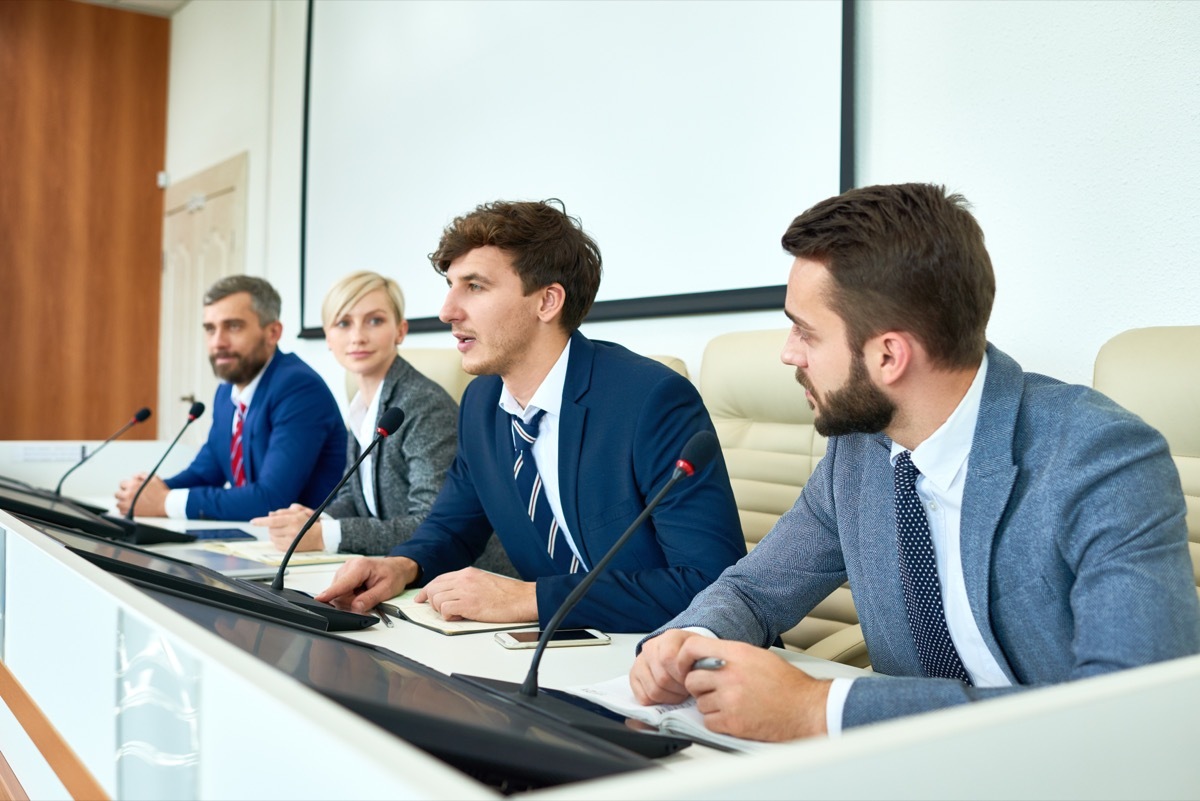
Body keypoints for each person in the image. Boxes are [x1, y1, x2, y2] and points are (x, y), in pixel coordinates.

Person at [629, 182, 1200, 739]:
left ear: (889, 355)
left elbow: (1135, 710)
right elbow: (755, 591)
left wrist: (818, 708)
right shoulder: (861, 450)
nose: (788, 353)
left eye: (805, 332)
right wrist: (684, 642)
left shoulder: (1100, 460)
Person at [315, 199, 746, 633]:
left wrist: (530, 597)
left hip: (679, 655)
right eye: (450, 285)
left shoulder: (650, 400)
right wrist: (401, 566)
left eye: (475, 286)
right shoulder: (481, 404)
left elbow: (709, 584)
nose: (447, 311)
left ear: (547, 301)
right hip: (560, 652)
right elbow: (451, 527)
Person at [249, 270, 514, 573]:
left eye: (375, 321)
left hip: (465, 579)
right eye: (343, 323)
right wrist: (315, 520)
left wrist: (327, 535)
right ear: (328, 337)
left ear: (400, 331)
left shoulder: (422, 404)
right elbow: (354, 497)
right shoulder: (362, 404)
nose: (357, 336)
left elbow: (431, 524)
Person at [115, 276, 345, 521]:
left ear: (273, 332)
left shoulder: (298, 388)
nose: (218, 342)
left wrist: (165, 502)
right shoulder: (227, 393)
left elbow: (271, 499)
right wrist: (149, 491)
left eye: (233, 327)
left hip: (308, 549)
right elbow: (205, 473)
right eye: (210, 329)